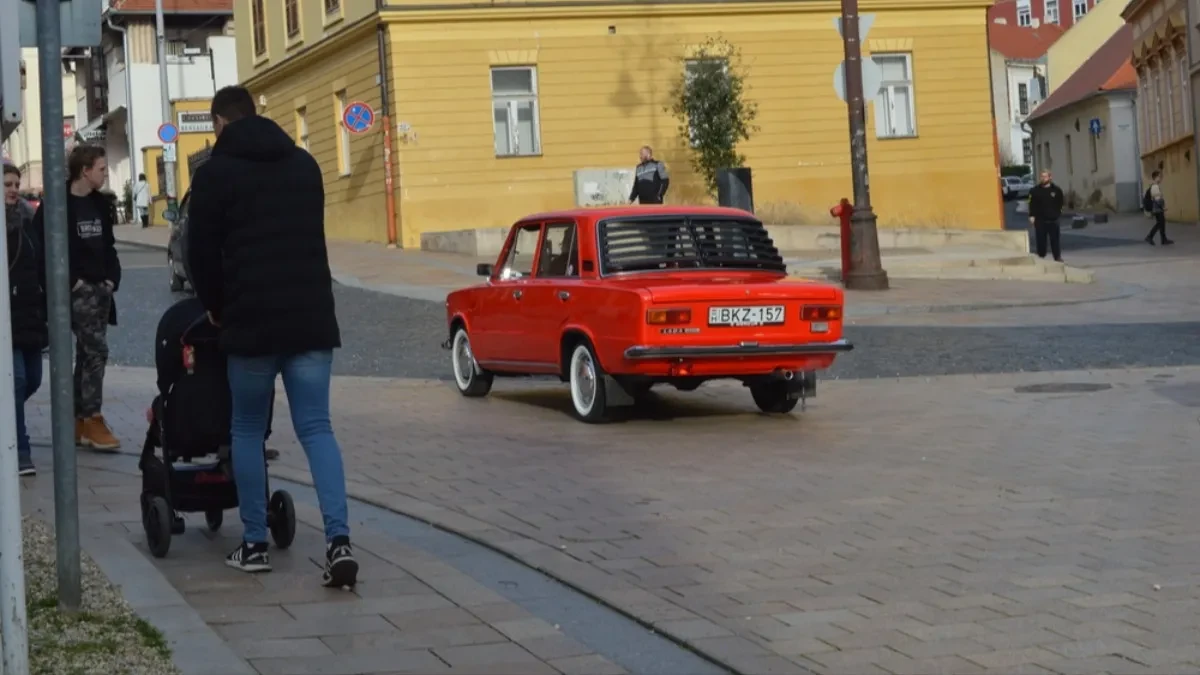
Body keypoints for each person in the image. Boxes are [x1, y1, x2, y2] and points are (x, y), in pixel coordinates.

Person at [186, 85, 357, 587]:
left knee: (245, 429)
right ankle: (338, 541)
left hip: (250, 322)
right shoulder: (305, 165)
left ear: (220, 122)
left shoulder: (214, 174)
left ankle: (255, 542)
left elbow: (200, 255)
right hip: (309, 319)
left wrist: (215, 308)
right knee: (317, 429)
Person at [33, 145, 122, 451]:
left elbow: (109, 245)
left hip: (101, 289)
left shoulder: (100, 203)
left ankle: (78, 420)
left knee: (87, 353)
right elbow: (44, 247)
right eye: (101, 168)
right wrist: (72, 283)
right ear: (84, 170)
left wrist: (113, 278)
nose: (105, 173)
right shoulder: (57, 204)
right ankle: (92, 416)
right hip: (75, 291)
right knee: (97, 350)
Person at [4, 164, 47, 476]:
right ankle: (21, 451)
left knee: (32, 379)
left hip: (30, 315)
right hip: (6, 320)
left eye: (16, 183)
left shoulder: (28, 222)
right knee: (17, 381)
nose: (13, 189)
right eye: (6, 184)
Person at [1027, 169, 1064, 262]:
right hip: (1040, 220)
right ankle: (1041, 256)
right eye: (1042, 177)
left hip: (1053, 219)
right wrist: (1032, 215)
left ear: (1050, 177)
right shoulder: (1034, 191)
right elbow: (1031, 203)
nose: (1043, 178)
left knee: (1055, 240)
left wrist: (1058, 212)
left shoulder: (1056, 190)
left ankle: (1057, 257)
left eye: (1045, 176)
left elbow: (1061, 202)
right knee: (1041, 241)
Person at [1144, 171, 1173, 246]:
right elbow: (1157, 200)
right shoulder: (1155, 186)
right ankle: (1150, 236)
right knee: (1160, 223)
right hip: (1157, 208)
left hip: (1156, 208)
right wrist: (1163, 208)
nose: (1160, 178)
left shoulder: (1154, 186)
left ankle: (1163, 239)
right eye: (1159, 177)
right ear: (1155, 177)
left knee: (1161, 223)